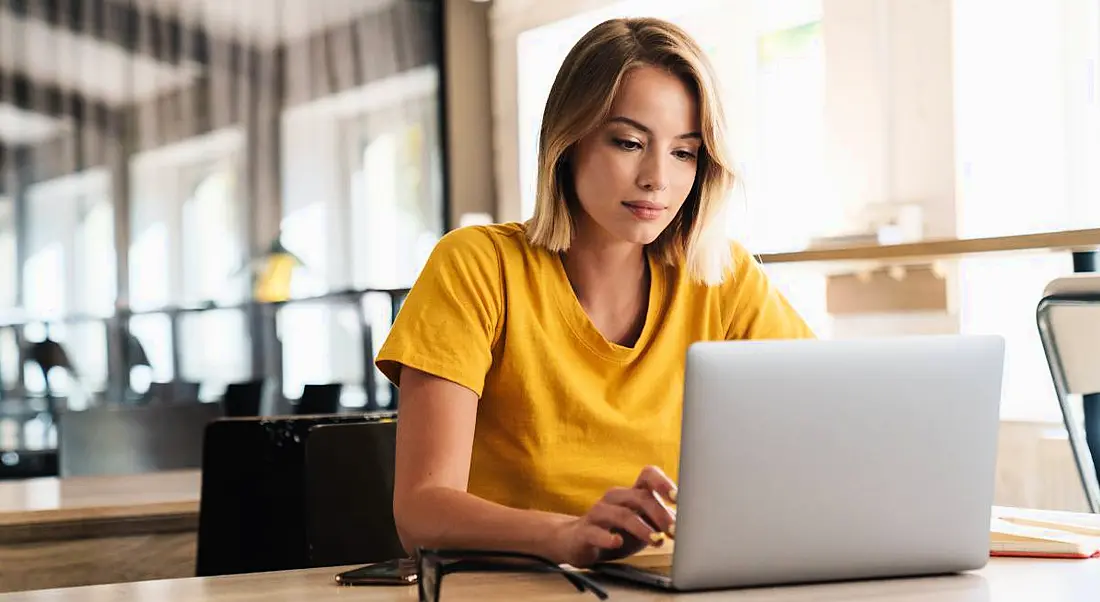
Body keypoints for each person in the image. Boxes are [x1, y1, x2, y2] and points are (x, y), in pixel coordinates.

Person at [375, 16, 814, 568]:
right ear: (568, 142)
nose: (658, 177)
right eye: (629, 142)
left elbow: (828, 433)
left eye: (684, 152)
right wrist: (565, 534)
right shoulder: (477, 266)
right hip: (519, 586)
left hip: (678, 584)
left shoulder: (724, 279)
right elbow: (420, 514)